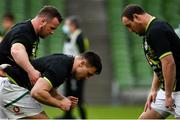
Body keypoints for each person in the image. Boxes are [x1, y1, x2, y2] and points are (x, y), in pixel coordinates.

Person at [0, 51, 102, 119]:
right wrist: (60, 104)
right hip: (10, 87)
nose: (87, 78)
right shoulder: (61, 68)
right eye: (88, 74)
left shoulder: (65, 62)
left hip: (7, 84)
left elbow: (48, 89)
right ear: (82, 63)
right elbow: (37, 92)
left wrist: (62, 99)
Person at [121, 4, 180, 119]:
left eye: (129, 25)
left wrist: (168, 95)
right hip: (168, 89)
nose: (130, 30)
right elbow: (158, 65)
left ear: (136, 17)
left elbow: (169, 63)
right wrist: (153, 90)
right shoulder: (149, 32)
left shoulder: (156, 30)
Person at [0, 5, 62, 85]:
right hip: (4, 80)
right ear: (43, 22)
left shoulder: (33, 34)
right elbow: (16, 51)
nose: (52, 32)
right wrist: (31, 71)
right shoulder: (24, 31)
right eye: (52, 28)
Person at [61, 16, 89, 119]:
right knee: (68, 94)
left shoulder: (80, 37)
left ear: (73, 25)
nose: (65, 27)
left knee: (78, 96)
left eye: (67, 24)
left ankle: (83, 117)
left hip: (77, 73)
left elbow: (84, 56)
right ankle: (67, 116)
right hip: (69, 72)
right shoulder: (70, 36)